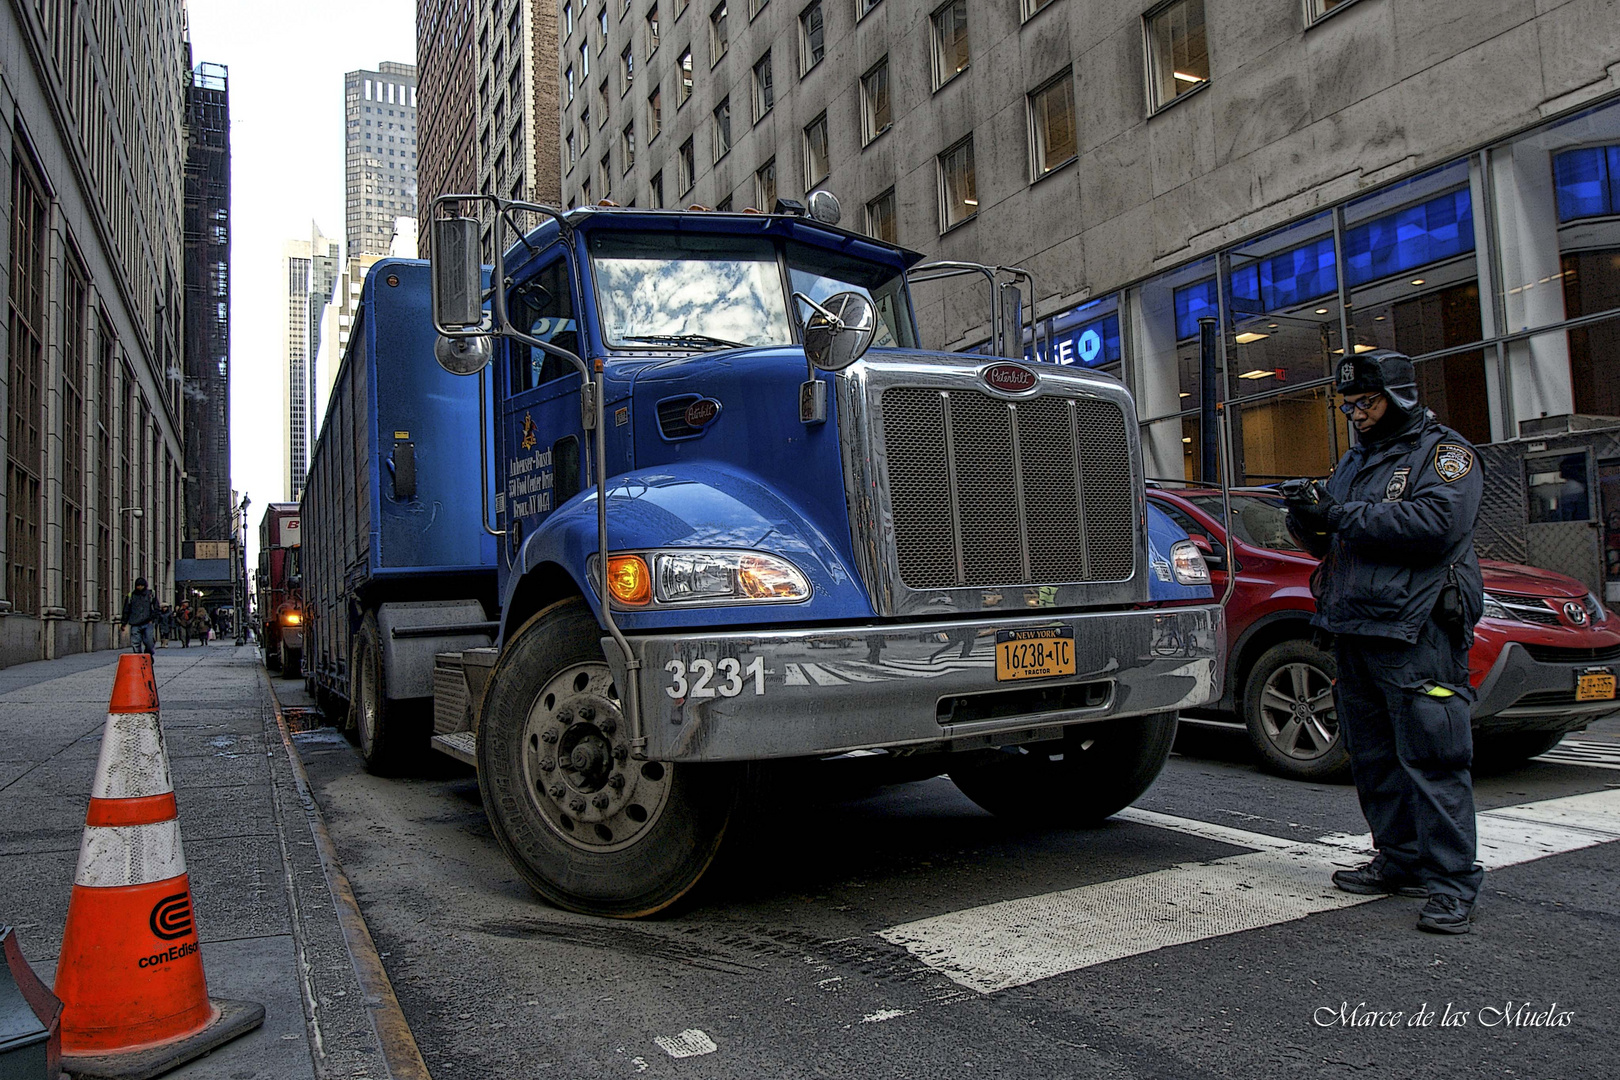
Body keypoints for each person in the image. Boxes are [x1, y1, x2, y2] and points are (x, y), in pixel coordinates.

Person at [1284, 350, 1485, 935]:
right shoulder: (1356, 460)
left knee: (1434, 757)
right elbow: (1332, 543)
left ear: (1398, 396)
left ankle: (1452, 883)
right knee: (1373, 759)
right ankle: (1398, 860)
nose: (1356, 415)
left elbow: (1435, 526)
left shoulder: (1445, 455)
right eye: (1348, 405)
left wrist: (1339, 512)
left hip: (1417, 632)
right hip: (1355, 627)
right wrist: (1307, 515)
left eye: (1365, 403)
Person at [121, 577, 158, 655]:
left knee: (149, 642)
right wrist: (124, 623)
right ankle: (138, 658)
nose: (140, 587)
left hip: (147, 622)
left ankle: (148, 655)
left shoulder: (151, 595)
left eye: (141, 585)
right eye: (138, 585)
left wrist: (153, 619)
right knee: (135, 643)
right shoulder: (131, 596)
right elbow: (126, 610)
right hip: (135, 623)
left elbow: (156, 608)